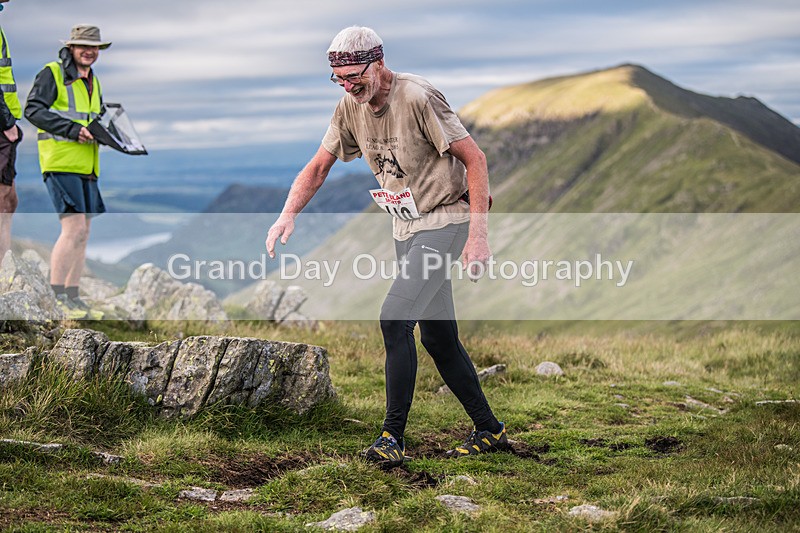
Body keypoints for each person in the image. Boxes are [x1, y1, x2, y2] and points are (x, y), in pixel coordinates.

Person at [266, 26, 507, 468]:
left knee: (394, 319)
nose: (348, 86)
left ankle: (391, 438)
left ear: (378, 63)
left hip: (446, 219)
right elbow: (319, 166)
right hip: (406, 226)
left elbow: (475, 159)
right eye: (338, 79)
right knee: (438, 337)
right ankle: (489, 430)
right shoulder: (349, 106)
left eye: (354, 76)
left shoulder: (418, 97)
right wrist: (288, 213)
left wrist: (478, 236)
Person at [24, 24, 111, 313]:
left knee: (84, 231)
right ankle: (56, 295)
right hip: (60, 160)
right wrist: (73, 130)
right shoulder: (52, 72)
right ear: (71, 47)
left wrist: (107, 136)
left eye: (94, 46)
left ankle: (72, 295)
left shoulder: (93, 80)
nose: (90, 51)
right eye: (83, 45)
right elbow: (33, 110)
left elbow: (91, 118)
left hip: (87, 163)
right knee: (73, 228)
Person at [0, 0, 23, 263]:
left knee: (9, 202)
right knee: (3, 202)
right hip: (3, 126)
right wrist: (6, 122)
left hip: (6, 125)